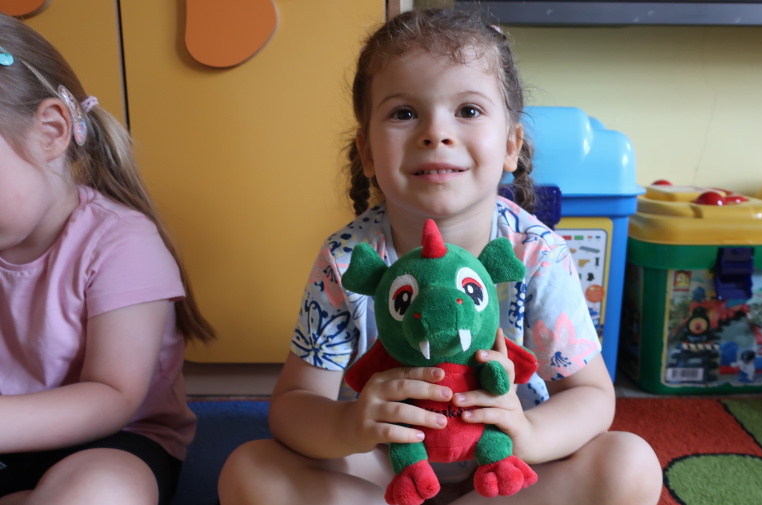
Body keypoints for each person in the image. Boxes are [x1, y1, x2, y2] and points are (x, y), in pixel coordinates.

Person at [219, 7, 661, 505]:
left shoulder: (537, 253)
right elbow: (294, 404)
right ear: (367, 152)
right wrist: (350, 424)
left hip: (506, 472)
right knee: (248, 472)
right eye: (404, 113)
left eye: (468, 111)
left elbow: (591, 396)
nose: (436, 133)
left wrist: (529, 433)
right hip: (385, 469)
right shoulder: (348, 261)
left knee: (630, 465)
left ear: (511, 145)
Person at [0, 13, 214, 505]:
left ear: (51, 131)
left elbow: (113, 396)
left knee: (98, 490)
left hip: (113, 442)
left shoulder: (121, 243)